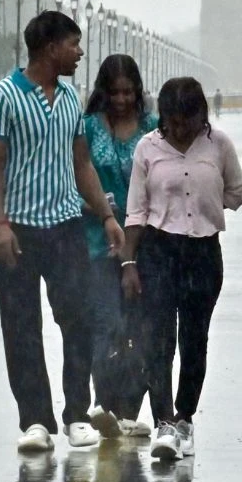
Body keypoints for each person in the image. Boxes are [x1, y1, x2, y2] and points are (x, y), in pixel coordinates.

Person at [0, 11, 126, 453]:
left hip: (66, 226)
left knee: (77, 321)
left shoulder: (69, 99)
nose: (79, 53)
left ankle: (76, 415)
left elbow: (81, 164)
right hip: (19, 229)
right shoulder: (3, 97)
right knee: (21, 326)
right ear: (49, 48)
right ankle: (35, 421)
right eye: (73, 44)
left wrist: (106, 216)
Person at [120, 77, 242, 461]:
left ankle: (185, 418)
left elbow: (237, 193)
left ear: (200, 115)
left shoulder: (219, 145)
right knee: (158, 340)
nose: (179, 130)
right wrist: (129, 263)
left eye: (187, 121)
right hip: (158, 251)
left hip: (203, 253)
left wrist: (205, 205)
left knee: (194, 340)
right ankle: (163, 423)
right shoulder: (148, 147)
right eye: (172, 121)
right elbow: (136, 210)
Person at [82, 54, 159, 439]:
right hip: (97, 243)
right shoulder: (86, 129)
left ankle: (130, 408)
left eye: (129, 92)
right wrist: (100, 208)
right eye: (115, 93)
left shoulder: (153, 129)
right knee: (107, 325)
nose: (122, 100)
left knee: (143, 328)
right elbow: (73, 178)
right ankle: (105, 404)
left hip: (146, 244)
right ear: (104, 92)